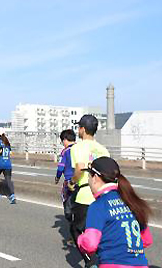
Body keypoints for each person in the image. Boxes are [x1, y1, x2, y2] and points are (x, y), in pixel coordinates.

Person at [78, 157, 153, 268]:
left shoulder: (98, 206)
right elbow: (147, 240)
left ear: (95, 178)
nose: (88, 181)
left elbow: (90, 244)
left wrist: (81, 239)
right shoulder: (131, 201)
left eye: (89, 176)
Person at [69, 114, 110, 268]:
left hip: (85, 196)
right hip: (103, 196)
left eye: (79, 127)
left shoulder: (78, 147)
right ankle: (103, 259)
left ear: (83, 129)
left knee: (76, 230)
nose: (78, 130)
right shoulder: (103, 149)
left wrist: (72, 182)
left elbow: (79, 168)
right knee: (99, 232)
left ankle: (90, 261)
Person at [54, 129, 76, 226]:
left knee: (66, 200)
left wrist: (57, 177)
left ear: (65, 139)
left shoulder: (66, 151)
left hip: (69, 181)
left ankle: (71, 220)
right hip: (83, 180)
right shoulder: (81, 148)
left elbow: (61, 167)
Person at [0, 127, 15, 204]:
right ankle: (12, 196)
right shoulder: (7, 142)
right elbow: (10, 152)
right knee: (8, 180)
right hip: (7, 163)